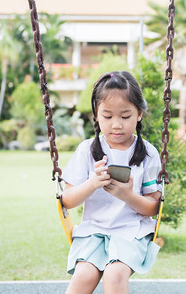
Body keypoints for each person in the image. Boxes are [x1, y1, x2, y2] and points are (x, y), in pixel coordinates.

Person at [62, 71, 162, 294]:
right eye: (107, 116)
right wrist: (92, 183)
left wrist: (127, 195)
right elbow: (67, 201)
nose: (116, 125)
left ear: (139, 114)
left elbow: (153, 208)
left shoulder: (147, 154)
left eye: (125, 116)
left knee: (115, 275)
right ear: (96, 116)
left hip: (131, 231)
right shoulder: (87, 150)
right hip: (93, 231)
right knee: (83, 276)